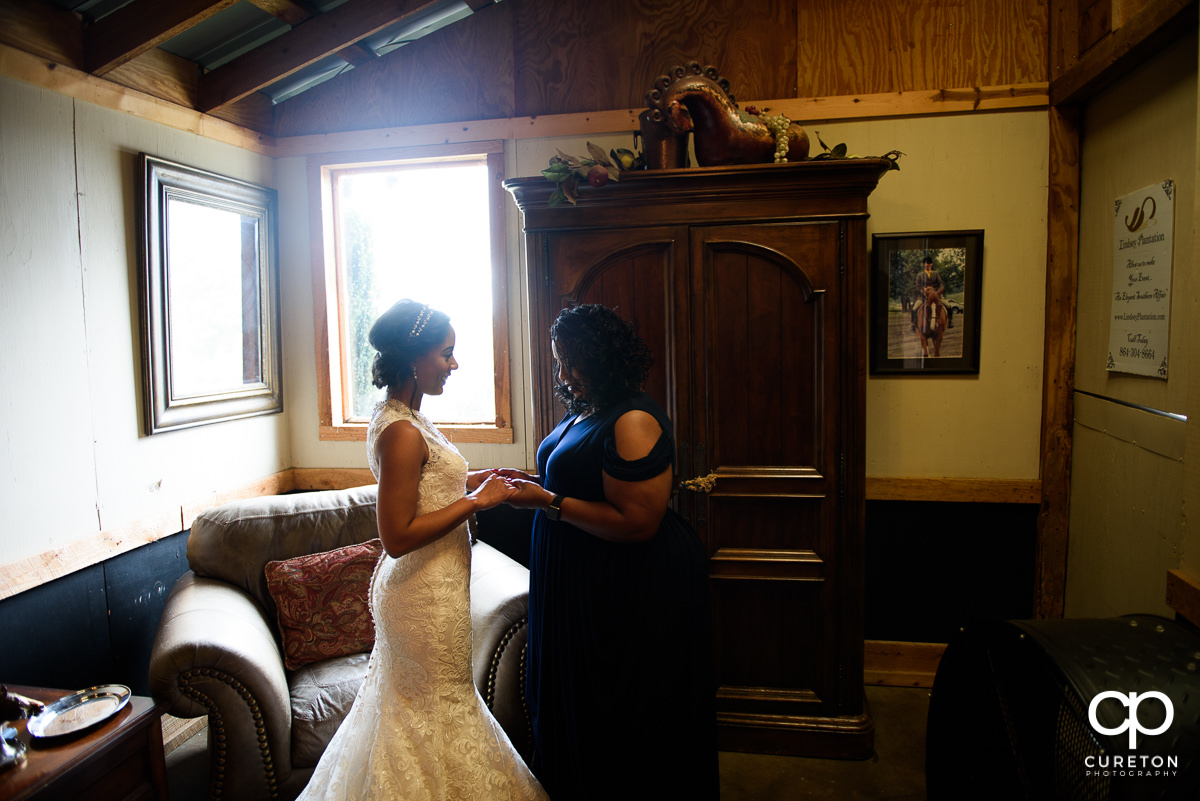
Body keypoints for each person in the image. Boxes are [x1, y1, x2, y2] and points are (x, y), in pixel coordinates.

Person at [298, 299, 546, 801]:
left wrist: (485, 480)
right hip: (420, 594)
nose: (454, 364)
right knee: (435, 707)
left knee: (429, 707)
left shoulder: (407, 416)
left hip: (438, 584)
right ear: (415, 358)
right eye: (446, 354)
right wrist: (478, 501)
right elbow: (397, 534)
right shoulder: (402, 431)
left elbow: (431, 483)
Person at [494, 304, 719, 801]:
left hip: (627, 583)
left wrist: (548, 502)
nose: (562, 374)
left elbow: (638, 522)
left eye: (568, 361)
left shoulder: (633, 418)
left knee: (622, 705)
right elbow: (576, 481)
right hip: (578, 576)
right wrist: (530, 483)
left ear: (599, 357)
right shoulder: (586, 409)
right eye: (557, 362)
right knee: (576, 701)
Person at [910, 254, 953, 331]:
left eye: (929, 264)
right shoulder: (920, 275)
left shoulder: (936, 273)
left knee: (948, 305)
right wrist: (924, 292)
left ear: (931, 264)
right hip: (924, 296)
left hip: (936, 295)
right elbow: (918, 286)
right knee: (914, 308)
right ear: (924, 264)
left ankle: (950, 321)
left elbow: (940, 284)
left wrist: (937, 293)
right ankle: (913, 323)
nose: (928, 265)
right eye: (926, 264)